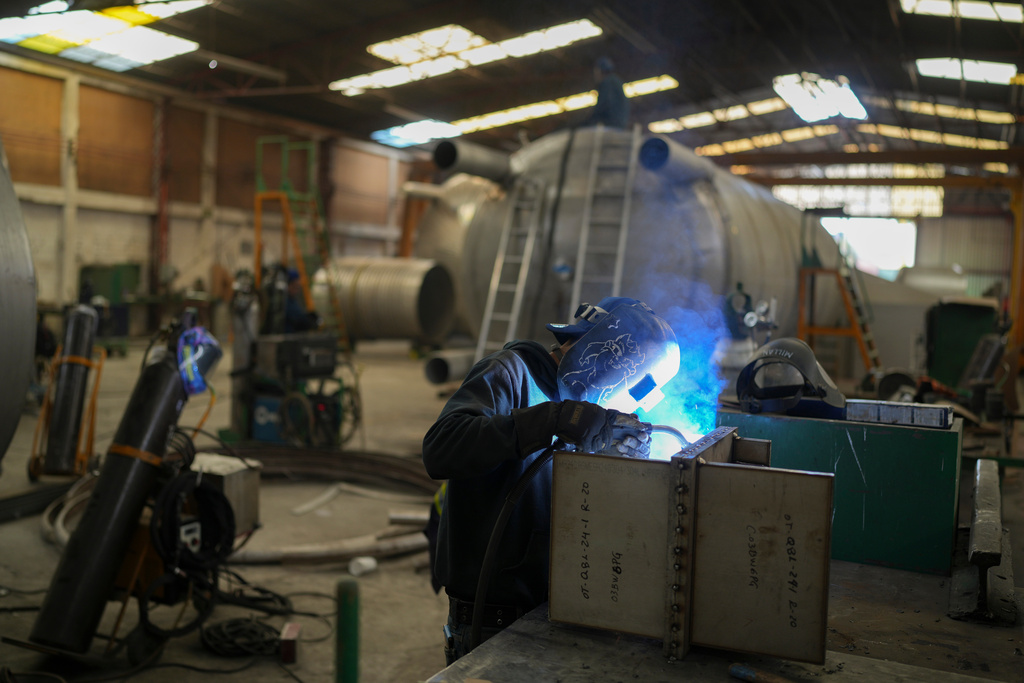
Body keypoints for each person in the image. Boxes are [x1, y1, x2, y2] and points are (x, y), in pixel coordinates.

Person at [422, 297, 680, 664]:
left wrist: (620, 468)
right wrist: (555, 418)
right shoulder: (509, 372)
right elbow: (440, 447)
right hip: (490, 619)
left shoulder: (586, 415)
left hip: (551, 614)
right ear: (605, 350)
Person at [584, 56, 629, 129]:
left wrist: (589, 120)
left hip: (611, 124)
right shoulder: (616, 81)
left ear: (599, 70)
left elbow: (603, 104)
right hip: (620, 124)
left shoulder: (607, 83)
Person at [284, 268, 318, 333]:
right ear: (288, 285)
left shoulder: (292, 300)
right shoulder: (285, 302)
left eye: (298, 287)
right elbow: (296, 318)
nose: (297, 291)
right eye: (295, 287)